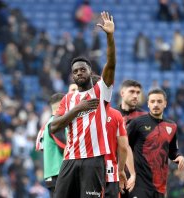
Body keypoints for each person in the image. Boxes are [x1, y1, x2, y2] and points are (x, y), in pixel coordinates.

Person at [51, 11, 116, 197]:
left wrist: (110, 37)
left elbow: (111, 64)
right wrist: (77, 109)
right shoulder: (67, 99)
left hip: (93, 160)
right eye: (75, 71)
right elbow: (54, 127)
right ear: (72, 76)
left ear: (90, 71)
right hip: (70, 159)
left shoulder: (101, 91)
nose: (79, 73)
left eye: (83, 69)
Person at [127, 89, 184, 197]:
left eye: (159, 101)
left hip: (160, 186)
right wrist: (129, 173)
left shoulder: (172, 126)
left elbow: (173, 151)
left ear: (165, 103)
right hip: (139, 184)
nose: (155, 104)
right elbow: (124, 147)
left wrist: (179, 156)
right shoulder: (137, 123)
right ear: (148, 104)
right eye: (152, 101)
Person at [116, 79, 147, 196]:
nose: (135, 96)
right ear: (122, 93)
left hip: (138, 174)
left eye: (138, 93)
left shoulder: (145, 118)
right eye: (132, 92)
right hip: (115, 172)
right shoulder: (112, 114)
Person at [35, 93, 66, 197]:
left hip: (53, 174)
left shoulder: (47, 124)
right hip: (59, 175)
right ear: (63, 105)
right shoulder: (56, 124)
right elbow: (65, 148)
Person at [105, 107, 128, 198]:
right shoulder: (115, 114)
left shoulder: (82, 112)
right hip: (110, 171)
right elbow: (123, 147)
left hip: (88, 170)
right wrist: (121, 170)